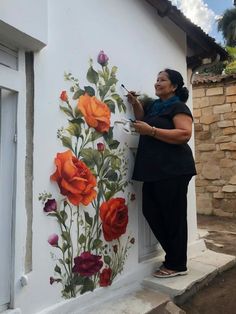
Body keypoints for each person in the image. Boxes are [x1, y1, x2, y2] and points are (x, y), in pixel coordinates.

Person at [127, 69, 196, 278]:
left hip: (174, 169)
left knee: (173, 217)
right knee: (151, 211)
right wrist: (135, 103)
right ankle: (174, 256)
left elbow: (184, 134)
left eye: (162, 80)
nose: (157, 83)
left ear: (173, 86)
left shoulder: (178, 106)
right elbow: (143, 119)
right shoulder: (156, 106)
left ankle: (177, 264)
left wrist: (152, 132)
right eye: (156, 79)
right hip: (154, 170)